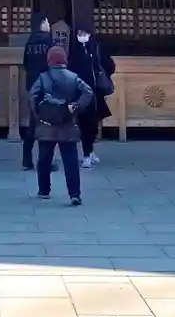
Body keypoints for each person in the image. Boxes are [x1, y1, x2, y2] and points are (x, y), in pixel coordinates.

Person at [30, 45, 94, 206]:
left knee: (44, 159)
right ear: (64, 60)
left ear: (49, 60)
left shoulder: (42, 78)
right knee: (70, 161)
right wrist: (76, 106)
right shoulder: (73, 77)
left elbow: (32, 97)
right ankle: (74, 194)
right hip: (68, 123)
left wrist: (39, 114)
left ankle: (44, 190)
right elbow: (88, 92)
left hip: (47, 124)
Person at [68, 26, 116, 167]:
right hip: (81, 94)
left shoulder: (96, 49)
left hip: (95, 93)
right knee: (85, 124)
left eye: (84, 33)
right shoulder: (74, 51)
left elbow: (109, 65)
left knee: (94, 125)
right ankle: (86, 154)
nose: (82, 35)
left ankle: (90, 151)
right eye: (79, 33)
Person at [21, 13, 53, 171]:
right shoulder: (48, 42)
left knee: (33, 122)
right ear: (42, 24)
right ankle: (44, 161)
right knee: (46, 124)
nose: (49, 25)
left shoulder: (29, 43)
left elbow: (25, 64)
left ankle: (27, 158)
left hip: (32, 85)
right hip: (47, 86)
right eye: (47, 22)